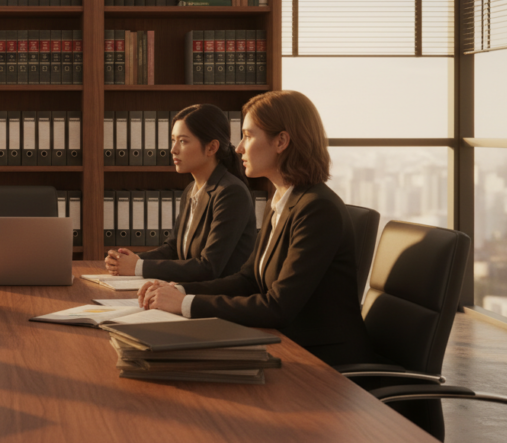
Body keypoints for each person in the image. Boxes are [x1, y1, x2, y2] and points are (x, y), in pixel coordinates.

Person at [138, 91, 372, 367]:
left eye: (248, 136)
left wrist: (185, 304)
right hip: (286, 344)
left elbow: (278, 307)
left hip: (322, 363)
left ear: (281, 141)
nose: (238, 148)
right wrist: (177, 289)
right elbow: (248, 280)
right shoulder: (281, 200)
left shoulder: (317, 209)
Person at [104, 103, 255, 282]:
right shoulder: (192, 189)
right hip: (186, 292)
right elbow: (173, 249)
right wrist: (132, 260)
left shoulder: (231, 193)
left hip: (216, 301)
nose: (173, 150)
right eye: (173, 140)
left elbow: (209, 267)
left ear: (211, 148)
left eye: (182, 141)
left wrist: (138, 267)